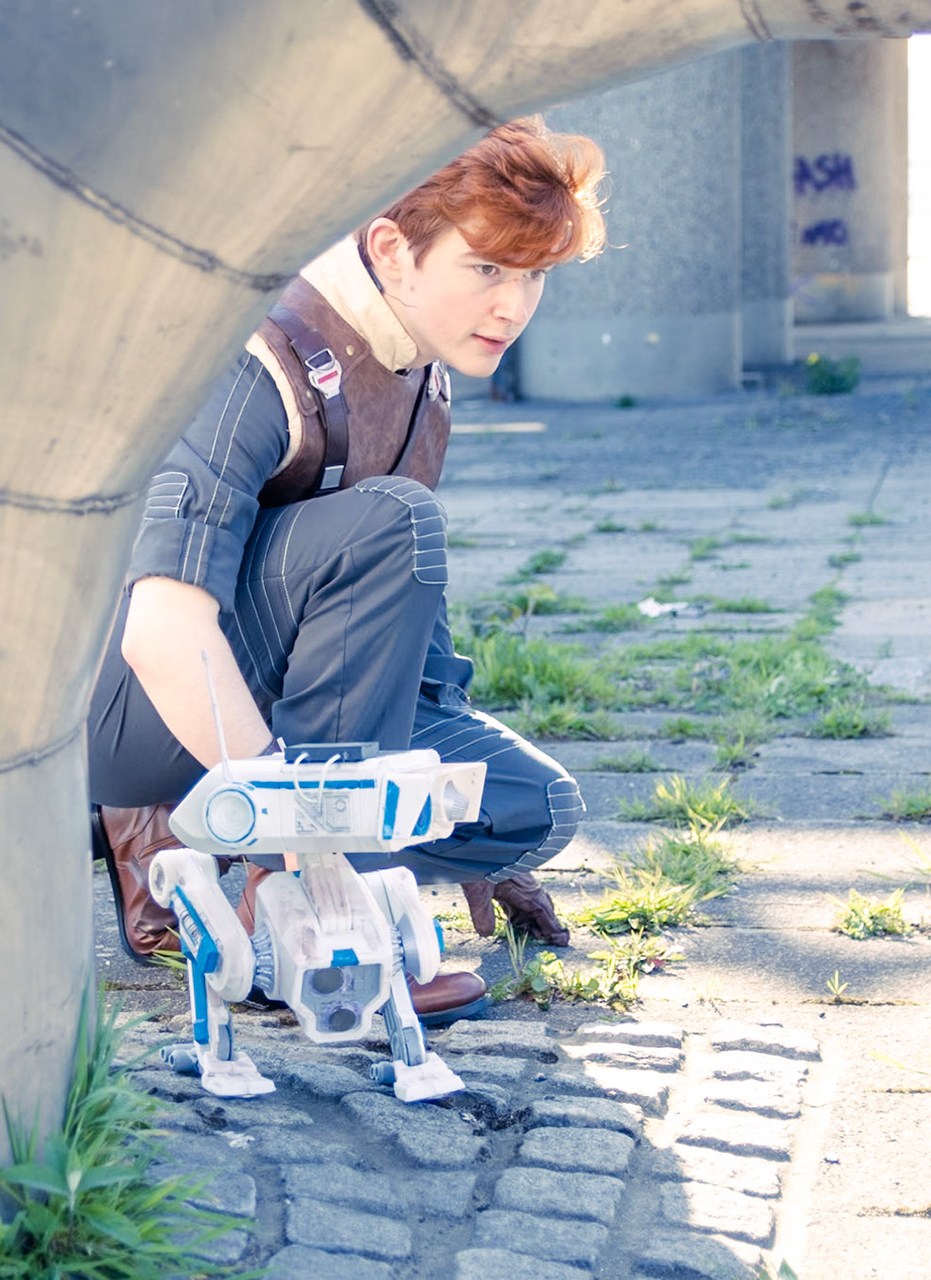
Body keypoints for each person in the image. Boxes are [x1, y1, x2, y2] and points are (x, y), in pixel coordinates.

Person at [87, 117, 605, 1022]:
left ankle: (281, 852)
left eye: (534, 275)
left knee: (531, 807)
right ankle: (315, 917)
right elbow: (160, 632)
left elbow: (402, 634)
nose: (513, 307)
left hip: (270, 701)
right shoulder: (258, 352)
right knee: (389, 520)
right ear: (393, 251)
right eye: (487, 268)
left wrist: (461, 817)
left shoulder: (420, 372)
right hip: (120, 709)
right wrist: (305, 849)